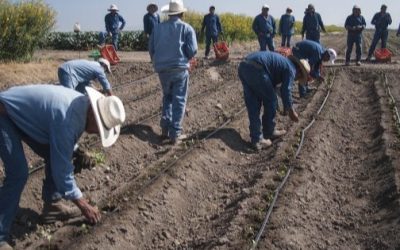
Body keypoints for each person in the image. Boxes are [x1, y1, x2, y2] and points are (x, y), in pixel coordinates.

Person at [0, 85, 125, 249]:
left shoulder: (81, 105)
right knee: (18, 173)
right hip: (4, 114)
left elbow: (60, 137)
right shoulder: (69, 120)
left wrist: (77, 150)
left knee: (56, 154)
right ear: (94, 115)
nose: (96, 134)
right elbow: (62, 171)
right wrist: (83, 205)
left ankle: (52, 207)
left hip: (20, 113)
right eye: (100, 129)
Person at [238, 52, 310, 150]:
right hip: (257, 69)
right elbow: (286, 90)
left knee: (253, 104)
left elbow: (277, 87)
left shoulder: (285, 64)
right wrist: (291, 110)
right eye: (299, 78)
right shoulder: (291, 70)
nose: (296, 80)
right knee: (271, 101)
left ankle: (257, 139)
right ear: (300, 72)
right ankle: (268, 131)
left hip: (243, 66)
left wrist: (285, 104)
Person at [149, 0, 198, 144]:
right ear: (182, 13)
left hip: (162, 69)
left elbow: (151, 48)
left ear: (169, 13)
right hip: (179, 68)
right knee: (179, 100)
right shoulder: (187, 28)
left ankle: (165, 129)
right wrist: (187, 58)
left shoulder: (157, 28)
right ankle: (175, 134)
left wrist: (157, 61)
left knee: (167, 97)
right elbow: (193, 50)